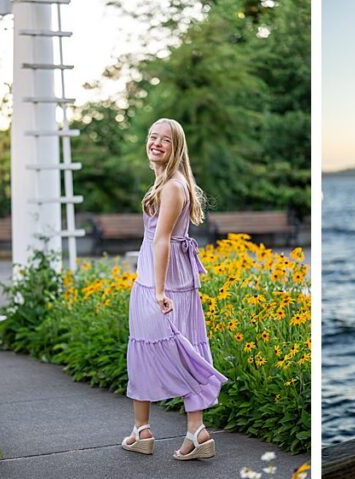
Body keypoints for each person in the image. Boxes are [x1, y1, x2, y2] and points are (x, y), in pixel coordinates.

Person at [121, 118, 227, 460]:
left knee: (148, 346)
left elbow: (162, 239)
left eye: (164, 139)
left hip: (160, 279)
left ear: (176, 146)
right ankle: (194, 432)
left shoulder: (171, 187)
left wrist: (158, 291)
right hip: (176, 277)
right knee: (186, 346)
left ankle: (143, 430)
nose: (156, 143)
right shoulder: (172, 183)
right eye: (152, 137)